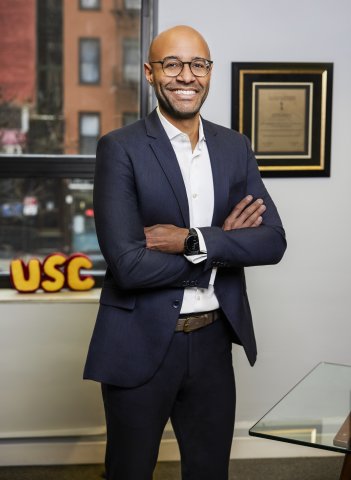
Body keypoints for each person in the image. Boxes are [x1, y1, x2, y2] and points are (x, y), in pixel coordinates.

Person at [84, 25, 286, 480]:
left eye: (198, 64)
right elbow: (129, 266)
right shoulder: (120, 148)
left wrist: (193, 239)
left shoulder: (235, 147)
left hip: (214, 341)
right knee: (129, 470)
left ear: (209, 72)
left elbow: (272, 241)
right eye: (172, 64)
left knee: (209, 471)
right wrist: (223, 244)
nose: (186, 76)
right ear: (151, 74)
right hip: (138, 341)